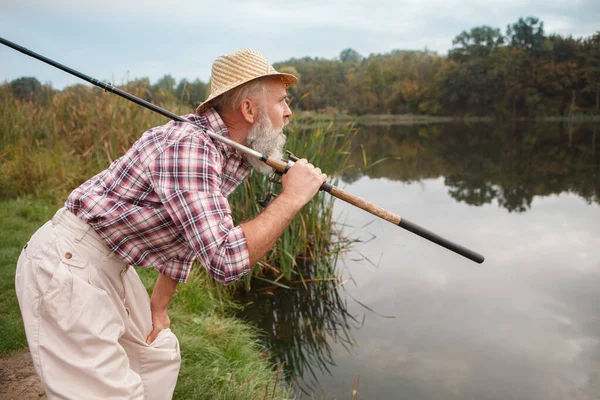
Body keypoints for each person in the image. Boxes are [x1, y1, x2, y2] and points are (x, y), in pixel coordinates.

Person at [15, 48, 327, 399]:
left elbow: (186, 233)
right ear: (249, 109)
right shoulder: (190, 147)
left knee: (156, 355)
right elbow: (225, 259)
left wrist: (159, 306)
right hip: (68, 265)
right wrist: (292, 198)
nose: (288, 112)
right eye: (282, 102)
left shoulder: (224, 152)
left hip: (108, 263)